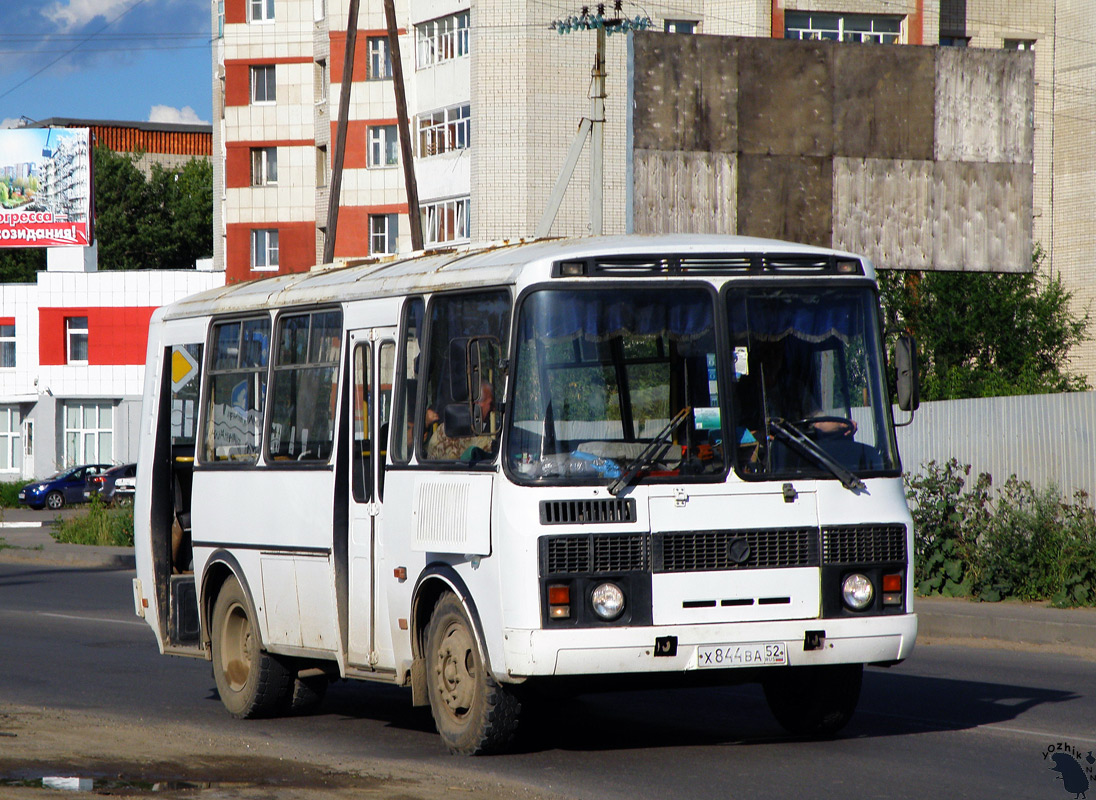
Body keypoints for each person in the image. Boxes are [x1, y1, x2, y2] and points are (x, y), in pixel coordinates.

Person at [425, 381, 499, 461]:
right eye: (491, 404)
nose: (493, 408)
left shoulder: (441, 431)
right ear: (476, 403)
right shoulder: (444, 433)